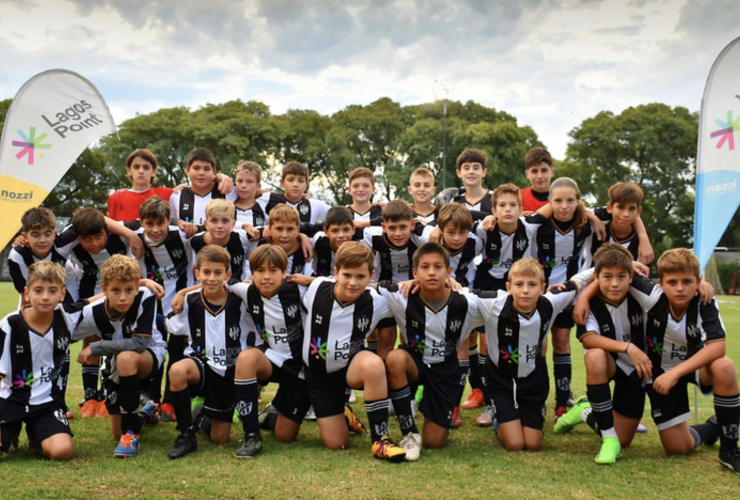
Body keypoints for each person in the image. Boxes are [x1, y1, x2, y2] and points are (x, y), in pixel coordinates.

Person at [297, 241, 406, 461]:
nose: (353, 283)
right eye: (347, 275)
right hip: (318, 377)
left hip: (350, 369)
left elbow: (416, 293)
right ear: (336, 273)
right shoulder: (316, 288)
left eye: (360, 277)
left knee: (374, 364)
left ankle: (380, 440)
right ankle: (344, 414)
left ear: (371, 276)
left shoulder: (377, 301)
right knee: (337, 444)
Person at [470, 258, 589, 451]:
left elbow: (577, 281)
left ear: (542, 288)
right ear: (509, 287)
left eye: (532, 285)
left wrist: (613, 266)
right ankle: (500, 422)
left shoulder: (549, 303)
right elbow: (464, 293)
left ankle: (524, 416)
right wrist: (451, 283)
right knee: (515, 444)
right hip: (501, 382)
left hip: (534, 381)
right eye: (519, 284)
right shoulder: (494, 302)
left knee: (533, 444)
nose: (525, 290)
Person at [637, 249, 738, 472]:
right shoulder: (652, 296)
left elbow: (718, 347)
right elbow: (608, 265)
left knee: (725, 367)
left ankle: (729, 451)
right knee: (678, 448)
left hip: (693, 368)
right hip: (658, 372)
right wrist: (631, 264)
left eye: (687, 282)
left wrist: (675, 373)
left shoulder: (704, 302)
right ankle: (713, 427)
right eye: (672, 282)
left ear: (699, 282)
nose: (680, 288)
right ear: (661, 283)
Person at [381, 243, 480, 460]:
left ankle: (435, 409)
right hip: (414, 363)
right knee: (396, 358)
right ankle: (409, 433)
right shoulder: (402, 296)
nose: (432, 272)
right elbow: (358, 283)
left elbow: (506, 299)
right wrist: (313, 281)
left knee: (435, 442)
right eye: (425, 267)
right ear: (415, 273)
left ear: (449, 272)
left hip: (445, 370)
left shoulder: (466, 302)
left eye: (438, 267)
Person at [554, 244, 653, 464]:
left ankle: (584, 411)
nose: (615, 284)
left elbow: (670, 292)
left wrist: (700, 283)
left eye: (621, 277)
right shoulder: (590, 304)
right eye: (607, 277)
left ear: (630, 277)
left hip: (635, 369)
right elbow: (588, 338)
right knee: (594, 355)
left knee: (625, 440)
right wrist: (627, 347)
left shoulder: (641, 293)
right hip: (611, 361)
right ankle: (608, 439)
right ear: (597, 277)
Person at [72, 255, 166, 457]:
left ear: (136, 287)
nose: (123, 297)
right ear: (104, 290)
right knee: (116, 431)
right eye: (115, 291)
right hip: (114, 365)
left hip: (149, 355)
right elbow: (65, 326)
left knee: (126, 357)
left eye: (129, 290)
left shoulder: (145, 296)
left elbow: (140, 343)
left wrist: (95, 348)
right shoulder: (93, 313)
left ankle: (130, 435)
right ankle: (145, 414)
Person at [165, 246, 251, 459]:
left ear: (227, 275)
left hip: (229, 369)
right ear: (197, 273)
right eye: (206, 272)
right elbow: (173, 326)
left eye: (218, 273)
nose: (211, 278)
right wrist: (182, 293)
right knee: (177, 370)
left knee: (219, 439)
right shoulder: (189, 300)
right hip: (200, 362)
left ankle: (200, 416)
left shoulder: (240, 300)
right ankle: (186, 434)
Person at [229, 245, 312, 458]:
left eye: (273, 270)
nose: (266, 277)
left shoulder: (300, 290)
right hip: (270, 358)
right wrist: (182, 292)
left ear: (284, 272)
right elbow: (213, 282)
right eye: (260, 271)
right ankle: (251, 435)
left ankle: (272, 413)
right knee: (246, 359)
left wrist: (312, 281)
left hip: (298, 367)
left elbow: (341, 284)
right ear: (252, 273)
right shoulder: (246, 289)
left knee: (285, 435)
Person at [527, 177, 596, 419]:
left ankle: (561, 402)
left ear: (578, 202)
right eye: (558, 200)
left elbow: (589, 258)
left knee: (562, 342)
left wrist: (577, 286)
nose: (564, 206)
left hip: (568, 294)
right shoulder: (539, 224)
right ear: (549, 201)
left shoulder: (585, 225)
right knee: (539, 346)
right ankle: (538, 398)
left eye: (570, 200)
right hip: (539, 294)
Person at [0, 262, 78, 460]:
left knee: (62, 451)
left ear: (62, 294)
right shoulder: (9, 324)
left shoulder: (66, 318)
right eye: (38, 290)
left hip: (46, 402)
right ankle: (11, 429)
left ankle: (37, 434)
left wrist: (144, 282)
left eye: (52, 291)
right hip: (10, 400)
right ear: (26, 293)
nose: (45, 297)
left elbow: (98, 303)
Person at [128, 196, 195, 421]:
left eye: (161, 223)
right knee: (155, 349)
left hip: (178, 303)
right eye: (149, 224)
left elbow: (217, 226)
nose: (155, 229)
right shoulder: (133, 237)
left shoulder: (182, 235)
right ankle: (152, 399)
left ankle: (170, 401)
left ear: (169, 220)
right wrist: (144, 282)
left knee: (176, 349)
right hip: (150, 304)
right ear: (141, 222)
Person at [361, 200, 427, 359]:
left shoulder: (421, 237)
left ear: (412, 225)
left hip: (413, 293)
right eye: (392, 228)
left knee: (411, 340)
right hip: (384, 293)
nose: (398, 233)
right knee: (386, 338)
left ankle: (409, 377)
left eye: (403, 227)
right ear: (383, 227)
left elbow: (439, 230)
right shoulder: (372, 236)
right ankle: (380, 377)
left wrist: (428, 222)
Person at [189, 199, 255, 283]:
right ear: (206, 224)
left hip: (237, 292)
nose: (219, 226)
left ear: (233, 224)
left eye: (225, 221)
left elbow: (268, 232)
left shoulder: (243, 238)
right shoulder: (193, 242)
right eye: (214, 221)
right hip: (204, 291)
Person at [169, 148, 237, 226]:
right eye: (196, 168)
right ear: (187, 170)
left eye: (206, 169)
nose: (201, 173)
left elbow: (253, 193)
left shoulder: (228, 191)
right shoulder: (177, 196)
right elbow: (170, 222)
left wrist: (223, 177)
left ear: (214, 172)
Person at [591, 182, 654, 265]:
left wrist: (643, 237)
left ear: (639, 211)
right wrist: (593, 219)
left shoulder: (641, 246)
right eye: (620, 207)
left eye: (631, 209)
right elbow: (577, 210)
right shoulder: (594, 225)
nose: (626, 214)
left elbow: (641, 275)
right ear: (609, 208)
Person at [310, 206, 356, 278]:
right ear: (326, 231)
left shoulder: (361, 246)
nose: (341, 235)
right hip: (319, 286)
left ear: (353, 229)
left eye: (346, 230)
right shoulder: (318, 241)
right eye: (335, 231)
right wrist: (302, 237)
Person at [454, 148, 492, 213]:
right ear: (459, 173)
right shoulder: (454, 202)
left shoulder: (495, 199)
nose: (471, 172)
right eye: (466, 168)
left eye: (476, 168)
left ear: (484, 172)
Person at [520, 147, 554, 214]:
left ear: (552, 172)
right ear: (527, 174)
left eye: (544, 170)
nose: (539, 176)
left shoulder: (564, 200)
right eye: (534, 171)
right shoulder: (517, 198)